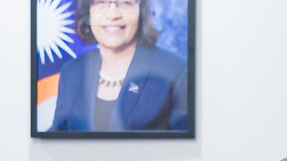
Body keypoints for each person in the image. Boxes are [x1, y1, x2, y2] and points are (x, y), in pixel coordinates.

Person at [50, 0, 187, 132]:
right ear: (88, 11)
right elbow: (58, 138)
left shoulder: (176, 71)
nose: (113, 15)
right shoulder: (71, 72)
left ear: (141, 11)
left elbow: (182, 144)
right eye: (101, 2)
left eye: (125, 3)